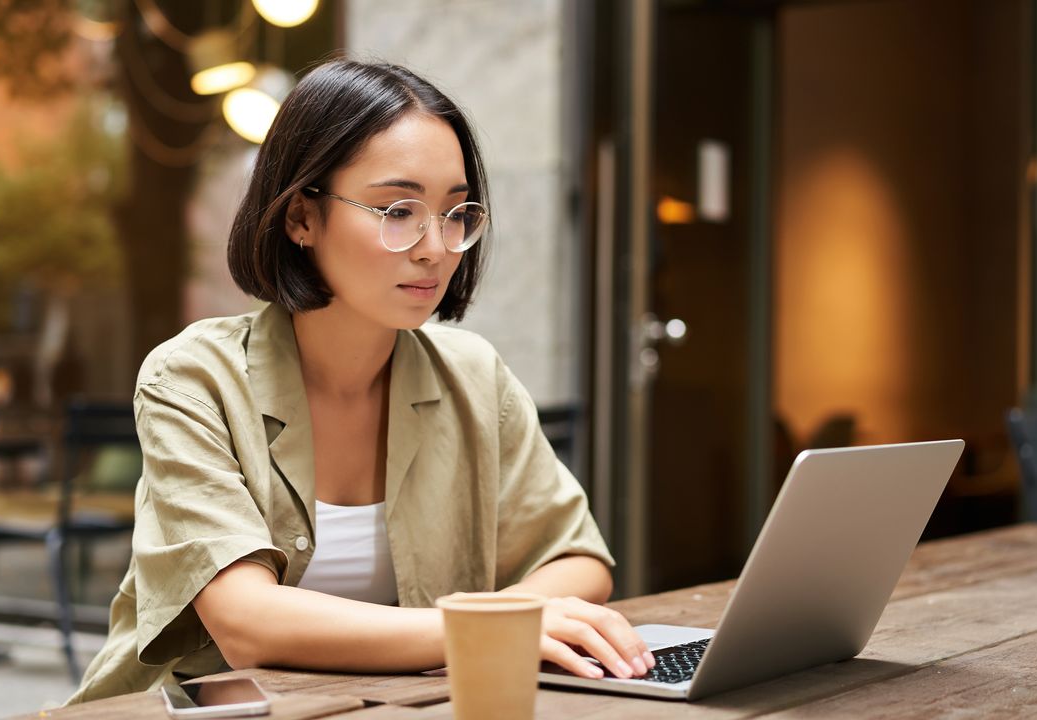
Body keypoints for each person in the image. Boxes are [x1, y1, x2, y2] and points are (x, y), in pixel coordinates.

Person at [68, 60, 651, 703]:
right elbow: (247, 622)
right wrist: (490, 627)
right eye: (398, 210)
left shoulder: (473, 375)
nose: (436, 246)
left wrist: (501, 623)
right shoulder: (192, 379)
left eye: (456, 212)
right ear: (301, 218)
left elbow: (578, 561)